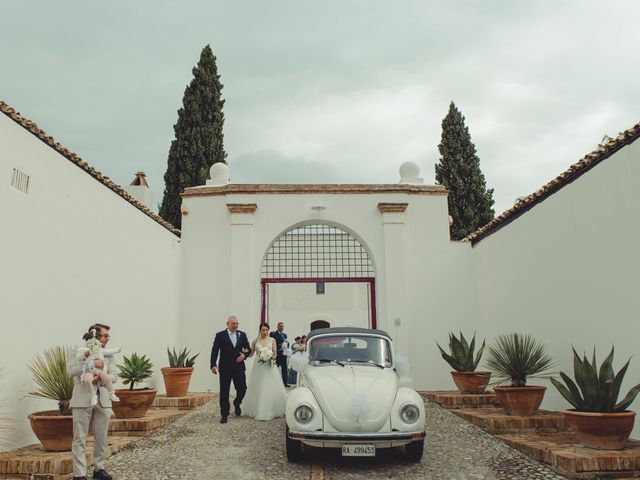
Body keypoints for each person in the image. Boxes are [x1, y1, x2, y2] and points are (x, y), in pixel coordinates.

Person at [67, 323, 117, 480]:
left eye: (108, 336)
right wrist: (90, 363)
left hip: (103, 400)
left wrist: (99, 379)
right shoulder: (77, 352)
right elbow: (71, 371)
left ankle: (99, 469)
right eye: (105, 335)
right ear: (95, 336)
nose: (108, 339)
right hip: (82, 400)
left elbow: (114, 376)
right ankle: (79, 474)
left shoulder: (109, 355)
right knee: (79, 437)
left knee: (102, 437)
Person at [210, 315, 251, 424]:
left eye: (237, 323)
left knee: (242, 388)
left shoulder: (242, 335)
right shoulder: (220, 335)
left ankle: (237, 403)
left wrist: (244, 355)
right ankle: (224, 414)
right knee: (224, 392)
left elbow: (248, 348)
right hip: (225, 368)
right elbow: (215, 350)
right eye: (233, 323)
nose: (235, 325)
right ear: (227, 324)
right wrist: (213, 364)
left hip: (239, 367)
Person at [243, 322, 287, 420]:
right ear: (260, 330)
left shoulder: (272, 340)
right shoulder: (255, 341)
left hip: (269, 365)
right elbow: (251, 353)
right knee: (259, 386)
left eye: (267, 330)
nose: (265, 332)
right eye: (263, 330)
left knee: (269, 385)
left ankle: (271, 408)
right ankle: (258, 408)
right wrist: (243, 354)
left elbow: (275, 353)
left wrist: (270, 356)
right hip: (259, 366)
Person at [77, 328, 121, 407]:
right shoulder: (82, 350)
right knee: (87, 380)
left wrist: (117, 350)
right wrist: (88, 358)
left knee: (106, 378)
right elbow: (78, 360)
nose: (107, 339)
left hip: (99, 371)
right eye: (105, 336)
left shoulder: (100, 350)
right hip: (89, 371)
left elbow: (109, 351)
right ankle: (93, 396)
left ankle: (112, 394)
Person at [270, 321, 288, 386]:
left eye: (282, 326)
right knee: (275, 369)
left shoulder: (285, 335)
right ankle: (274, 383)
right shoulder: (273, 334)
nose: (281, 327)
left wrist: (286, 345)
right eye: (280, 326)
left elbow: (286, 343)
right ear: (277, 327)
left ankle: (285, 383)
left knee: (284, 369)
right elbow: (272, 343)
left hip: (283, 354)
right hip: (277, 354)